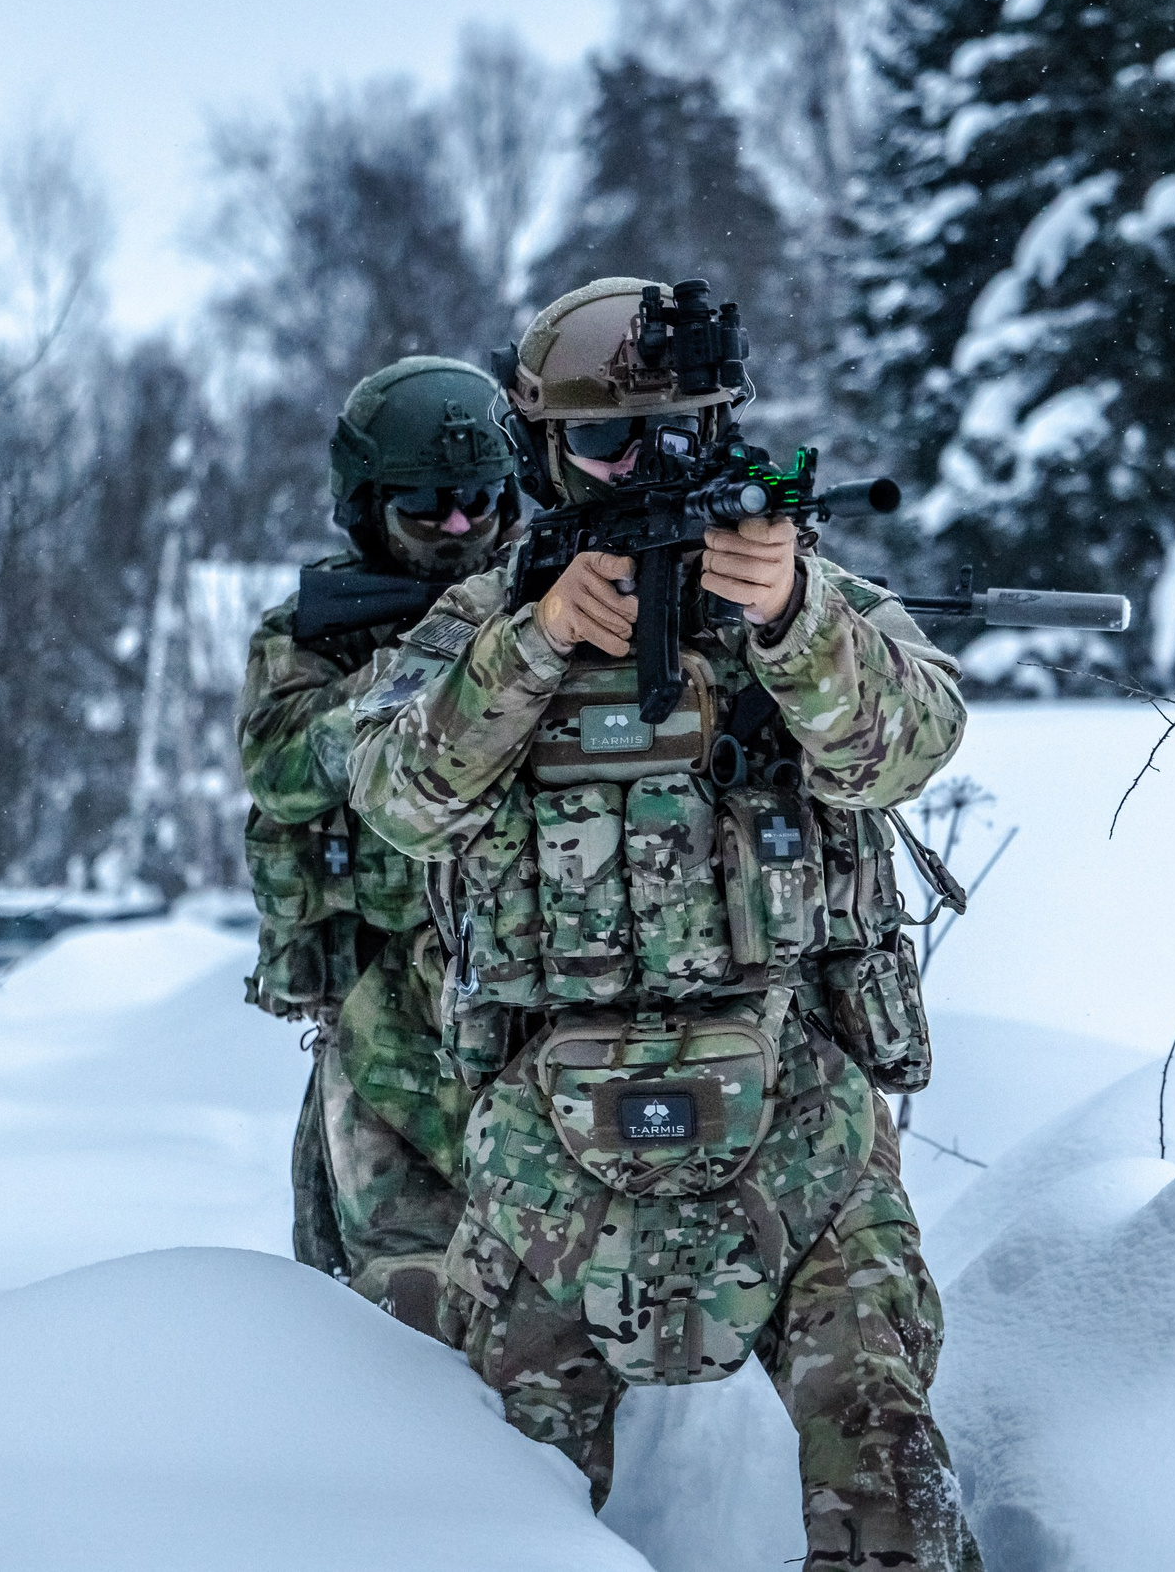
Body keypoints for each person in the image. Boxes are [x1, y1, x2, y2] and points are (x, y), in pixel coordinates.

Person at [347, 278, 983, 1570]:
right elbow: (393, 791)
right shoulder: (486, 619)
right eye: (606, 442)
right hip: (548, 1154)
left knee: (887, 1482)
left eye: (681, 430)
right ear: (544, 450)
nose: (650, 467)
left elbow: (915, 741)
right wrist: (534, 644)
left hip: (794, 1117)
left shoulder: (799, 590)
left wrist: (796, 620)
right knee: (480, 1509)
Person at [236, 354, 518, 1334]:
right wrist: (428, 666)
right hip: (375, 994)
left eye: (481, 501)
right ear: (362, 508)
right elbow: (279, 767)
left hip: (519, 988)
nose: (457, 526)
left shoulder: (550, 595)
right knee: (353, 1292)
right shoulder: (316, 633)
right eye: (425, 507)